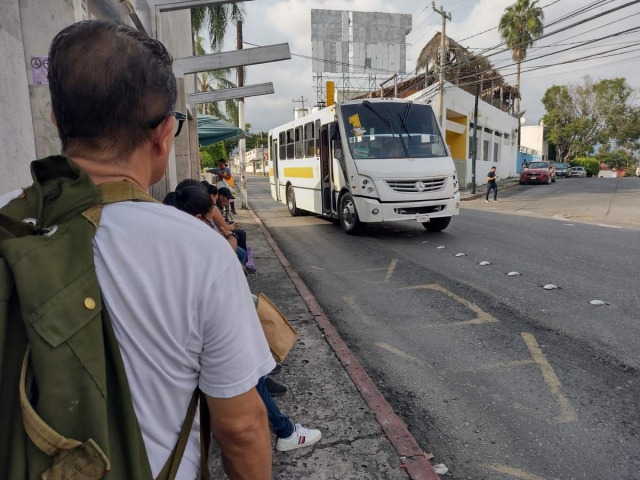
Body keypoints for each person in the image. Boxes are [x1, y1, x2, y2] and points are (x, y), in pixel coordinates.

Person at [2, 20, 274, 479]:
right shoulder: (199, 251)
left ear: (56, 122)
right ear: (164, 134)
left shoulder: (10, 225)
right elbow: (243, 427)